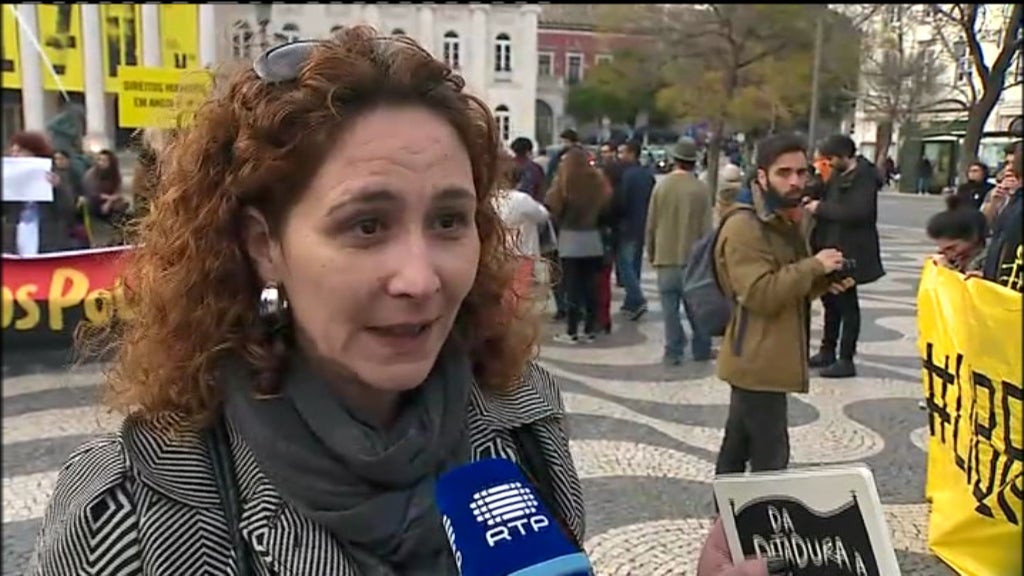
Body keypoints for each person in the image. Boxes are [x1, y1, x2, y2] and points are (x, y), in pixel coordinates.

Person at [33, 28, 585, 576]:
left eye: (448, 221)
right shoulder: (131, 511)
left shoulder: (523, 419)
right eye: (367, 226)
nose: (420, 280)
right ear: (264, 246)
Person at [713, 132, 853, 475]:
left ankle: (726, 509)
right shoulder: (745, 227)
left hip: (767, 356)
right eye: (784, 173)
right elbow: (760, 293)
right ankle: (756, 510)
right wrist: (814, 266)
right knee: (771, 459)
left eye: (801, 172)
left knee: (737, 446)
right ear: (762, 176)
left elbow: (787, 282)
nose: (795, 182)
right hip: (757, 361)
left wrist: (824, 281)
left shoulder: (785, 219)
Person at [804, 134, 885, 379]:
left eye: (830, 158)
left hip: (852, 251)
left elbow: (859, 212)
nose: (827, 163)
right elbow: (823, 192)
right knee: (830, 301)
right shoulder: (838, 175)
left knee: (847, 305)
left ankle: (846, 358)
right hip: (831, 247)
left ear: (843, 156)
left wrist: (820, 208)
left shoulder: (864, 178)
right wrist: (815, 183)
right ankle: (827, 350)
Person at [646, 137, 714, 365]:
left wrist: (652, 252)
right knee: (697, 309)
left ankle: (673, 350)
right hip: (693, 261)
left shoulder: (661, 186)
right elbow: (707, 230)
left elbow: (651, 223)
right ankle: (701, 348)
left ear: (675, 160)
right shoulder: (701, 189)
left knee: (669, 311)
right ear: (694, 162)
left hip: (665, 258)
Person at [546, 147, 609, 343]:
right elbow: (607, 208)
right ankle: (590, 328)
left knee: (571, 287)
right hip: (593, 238)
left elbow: (552, 207)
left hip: (570, 239)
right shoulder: (598, 182)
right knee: (591, 286)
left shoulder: (563, 183)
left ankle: (572, 330)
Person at [493, 155, 551, 306]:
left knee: (501, 289)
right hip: (523, 249)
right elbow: (543, 215)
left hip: (498, 251)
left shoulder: (492, 199)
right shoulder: (522, 199)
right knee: (520, 290)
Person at [612, 139, 655, 320]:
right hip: (642, 224)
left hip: (626, 225)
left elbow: (621, 201)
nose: (619, 156)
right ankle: (630, 301)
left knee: (624, 265)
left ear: (631, 154)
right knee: (634, 264)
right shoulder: (647, 175)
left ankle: (637, 298)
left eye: (623, 152)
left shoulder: (627, 175)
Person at [981, 142, 1023, 292]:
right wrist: (995, 202)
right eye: (1007, 163)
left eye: (1013, 163)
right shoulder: (997, 193)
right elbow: (985, 227)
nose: (1009, 169)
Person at [82, 149, 128, 247]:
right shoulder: (91, 175)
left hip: (110, 202)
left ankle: (119, 237)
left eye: (104, 161)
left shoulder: (115, 174)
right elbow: (92, 193)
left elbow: (118, 191)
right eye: (99, 160)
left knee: (123, 206)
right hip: (94, 204)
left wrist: (109, 202)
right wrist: (106, 199)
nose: (101, 163)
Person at [925, 207, 988, 274]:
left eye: (952, 248)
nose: (948, 255)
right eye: (943, 250)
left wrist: (948, 270)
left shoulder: (990, 262)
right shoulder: (953, 260)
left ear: (973, 238)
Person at [509, 136, 545, 203]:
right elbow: (540, 193)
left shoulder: (505, 167)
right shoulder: (535, 169)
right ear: (528, 151)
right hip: (531, 205)